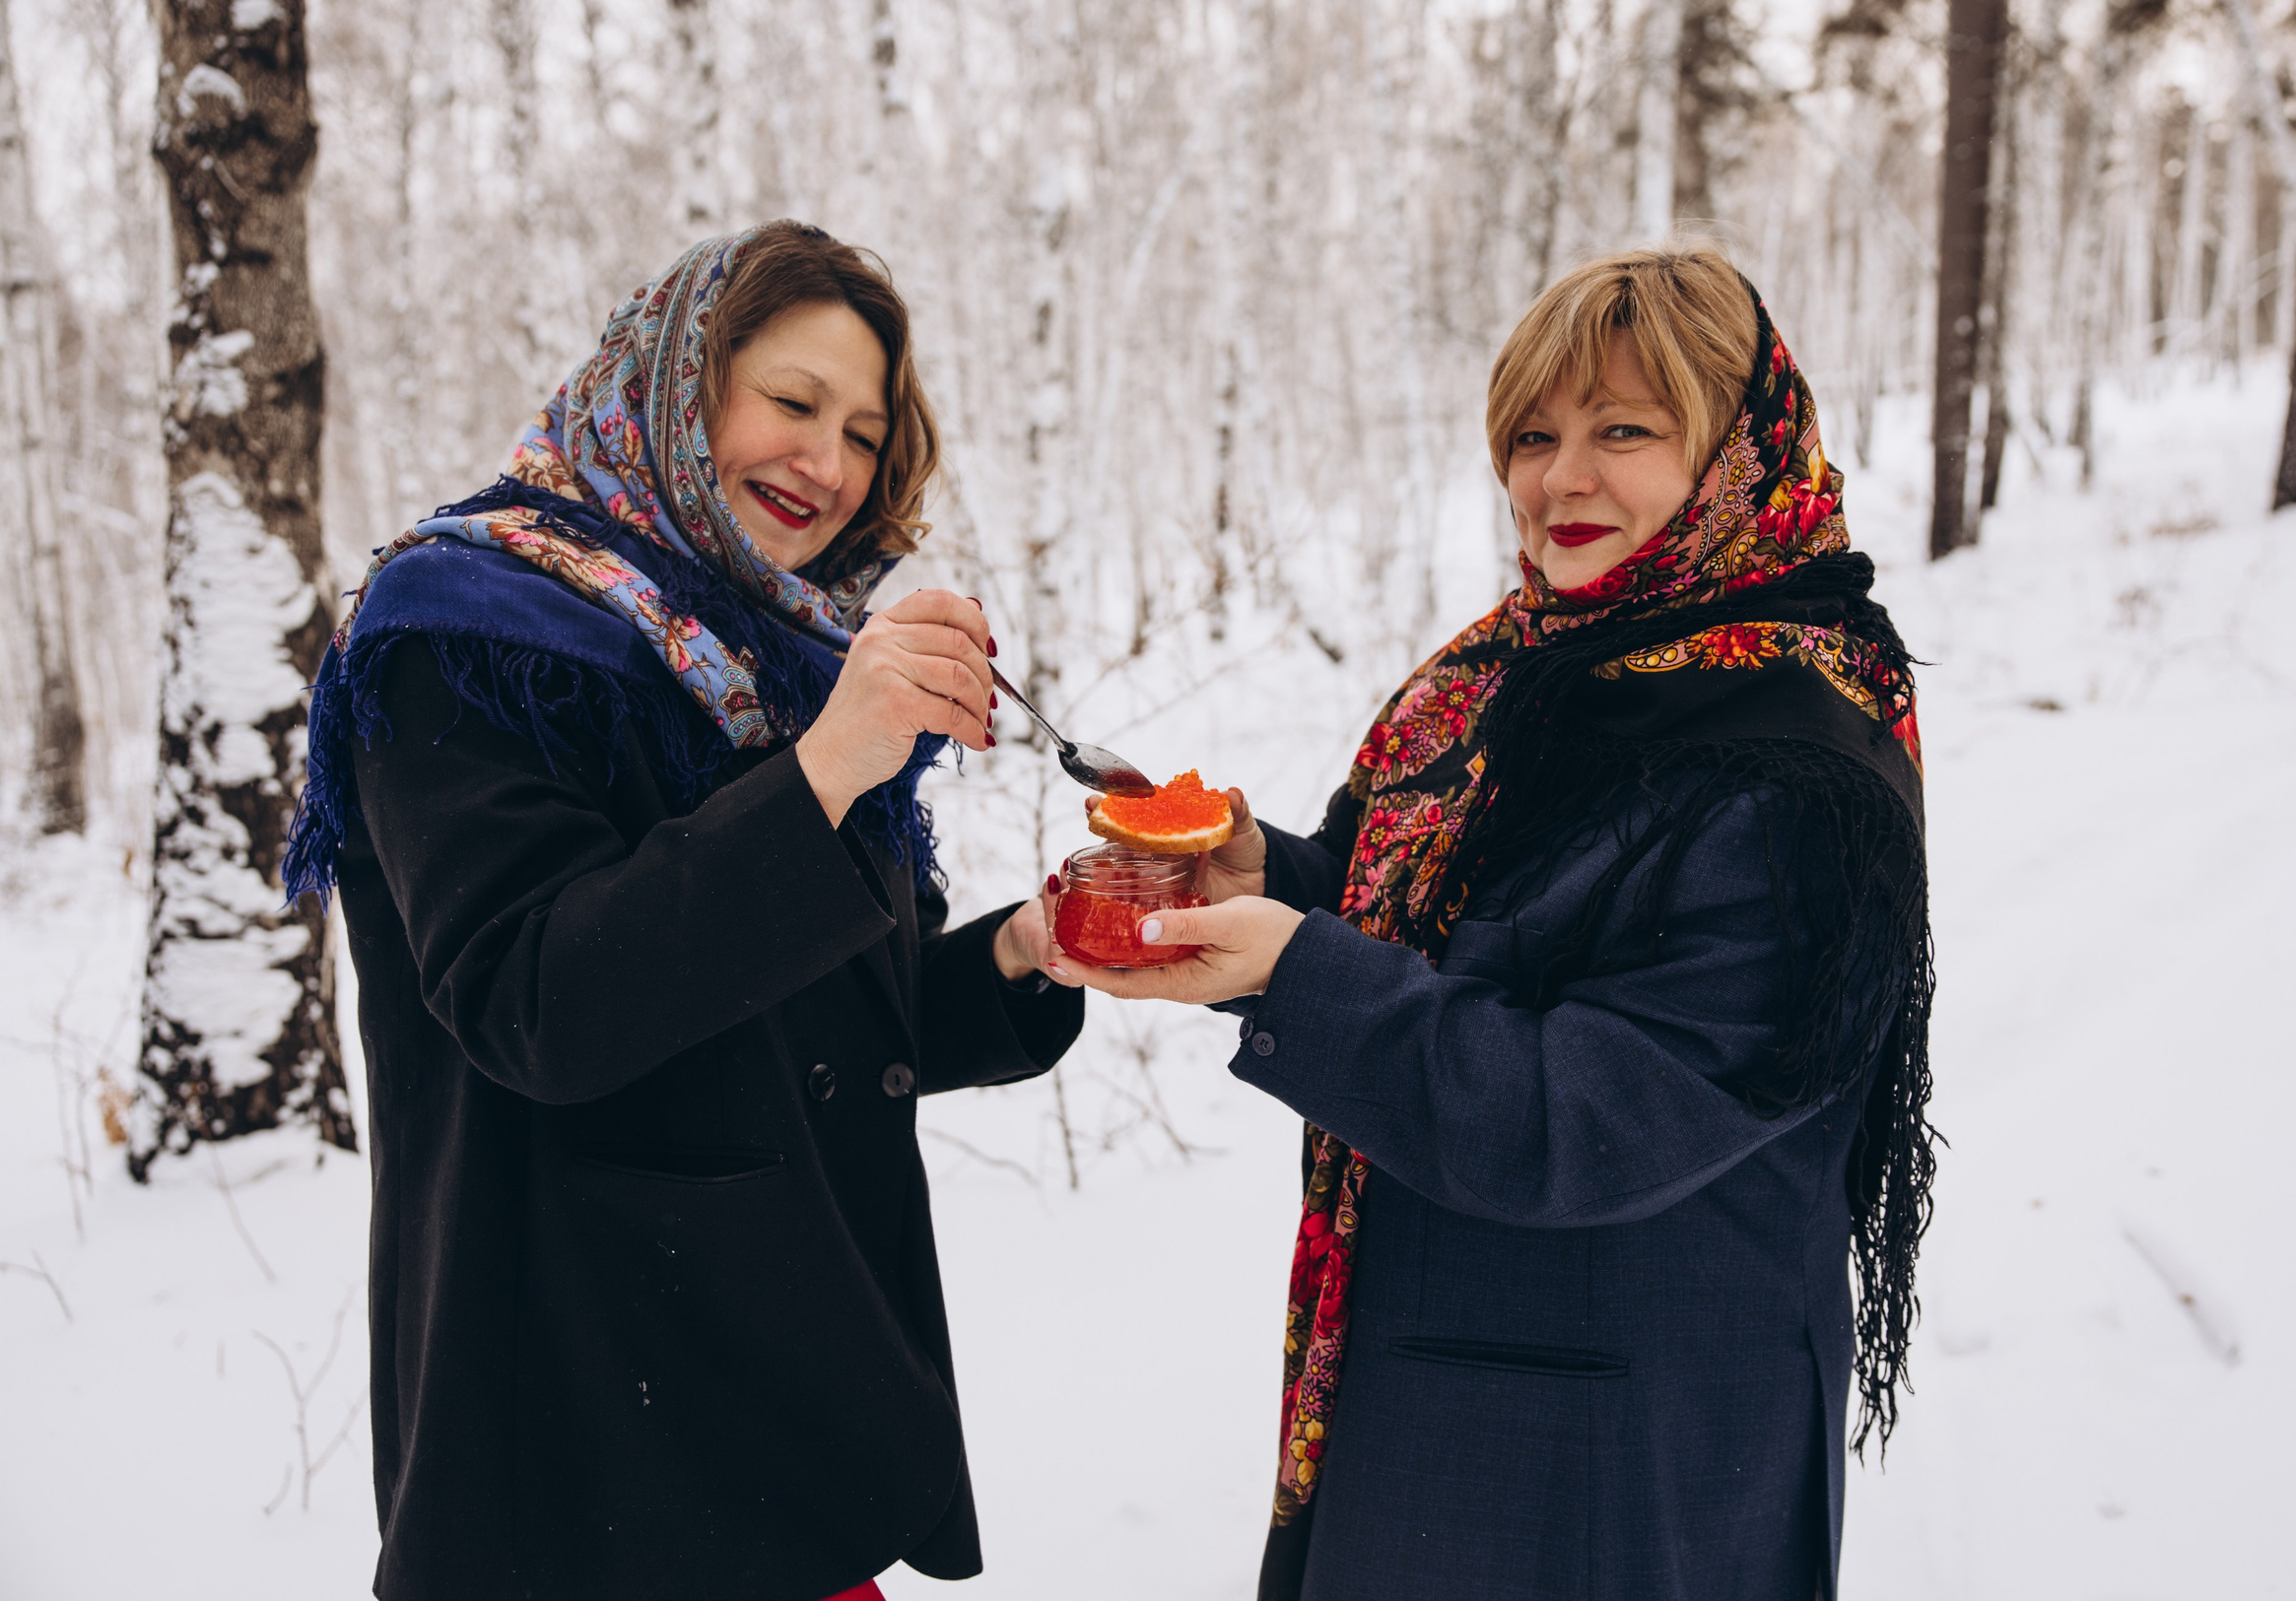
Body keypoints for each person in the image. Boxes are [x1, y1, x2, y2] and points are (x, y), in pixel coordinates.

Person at [1049, 242, 1936, 1600]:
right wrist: (1264, 879)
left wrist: (1296, 974)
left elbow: (1587, 1117)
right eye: (1533, 434)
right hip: (1461, 1396)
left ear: (1737, 455)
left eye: (1623, 431)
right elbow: (1433, 924)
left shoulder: (1796, 769)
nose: (1558, 478)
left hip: (1623, 1452)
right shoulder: (1520, 671)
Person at [284, 221, 1079, 1601]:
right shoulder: (464, 625)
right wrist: (829, 767)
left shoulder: (773, 651)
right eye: (791, 402)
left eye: (864, 432)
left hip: (782, 1413)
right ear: (671, 385)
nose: (828, 463)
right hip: (585, 1444)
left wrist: (1023, 955)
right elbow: (537, 1002)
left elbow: (812, 1026)